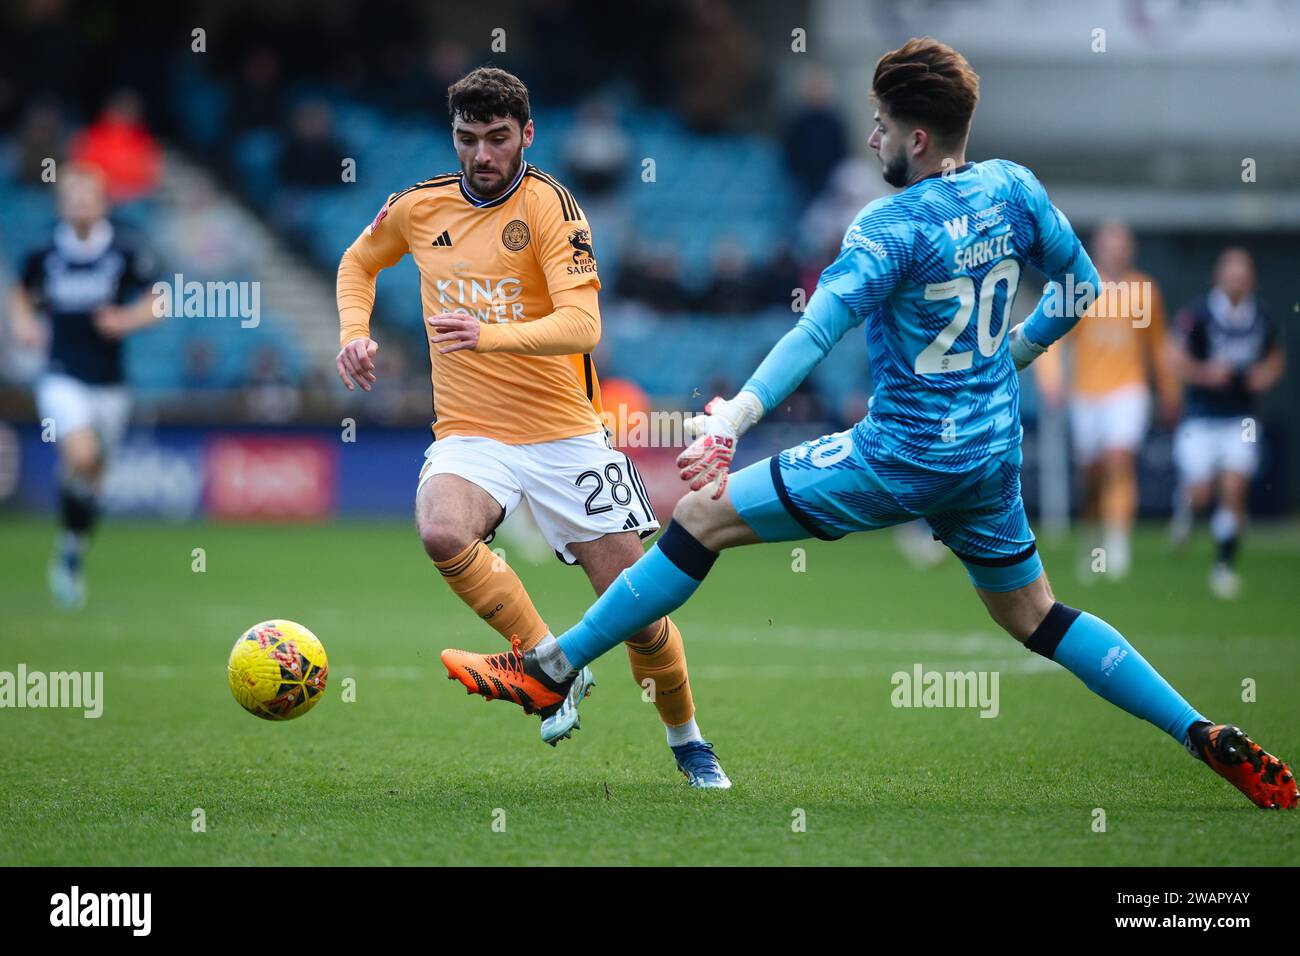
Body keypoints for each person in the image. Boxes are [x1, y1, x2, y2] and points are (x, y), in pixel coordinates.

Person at [441, 40, 1296, 810]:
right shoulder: (1013, 187)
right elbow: (1079, 290)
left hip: (900, 455)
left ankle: (553, 669)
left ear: (916, 139)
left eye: (882, 128)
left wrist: (734, 415)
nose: (875, 141)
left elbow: (817, 329)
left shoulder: (888, 226)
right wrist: (1020, 354)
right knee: (1037, 616)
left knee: (697, 520)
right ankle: (1198, 731)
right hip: (990, 456)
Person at [335, 67, 729, 788]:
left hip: (565, 436)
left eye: (497, 138)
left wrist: (487, 334)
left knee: (639, 612)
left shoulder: (553, 207)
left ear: (527, 135)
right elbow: (359, 262)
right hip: (470, 431)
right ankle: (551, 665)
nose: (482, 155)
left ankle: (688, 740)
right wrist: (354, 331)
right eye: (467, 139)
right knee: (441, 529)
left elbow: (584, 324)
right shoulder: (419, 208)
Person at [9, 162, 162, 608]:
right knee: (82, 453)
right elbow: (21, 292)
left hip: (111, 383)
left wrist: (126, 319)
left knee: (92, 477)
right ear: (62, 203)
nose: (79, 203)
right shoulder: (43, 252)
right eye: (72, 195)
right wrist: (23, 322)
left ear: (102, 202)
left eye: (87, 196)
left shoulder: (126, 249)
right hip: (60, 374)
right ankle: (73, 504)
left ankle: (71, 550)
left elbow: (160, 300)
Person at [1033, 221, 1179, 580]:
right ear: (1097, 248)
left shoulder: (1144, 290)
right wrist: (1051, 380)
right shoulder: (1084, 286)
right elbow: (1055, 336)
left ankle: (1117, 545)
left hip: (1128, 390)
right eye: (1111, 244)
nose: (1118, 250)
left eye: (1123, 244)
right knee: (1092, 476)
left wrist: (1169, 389)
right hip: (1086, 394)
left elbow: (1159, 346)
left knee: (1120, 460)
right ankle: (1093, 539)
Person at [1168, 248, 1284, 599]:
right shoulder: (1200, 314)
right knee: (1201, 492)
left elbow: (1275, 357)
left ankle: (1224, 566)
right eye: (1230, 273)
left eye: (1242, 273)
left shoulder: (1260, 316)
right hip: (1201, 418)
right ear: (1218, 276)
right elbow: (1174, 355)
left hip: (1241, 418)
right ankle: (1187, 508)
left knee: (1234, 489)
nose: (1236, 280)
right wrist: (1204, 374)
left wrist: (1264, 376)